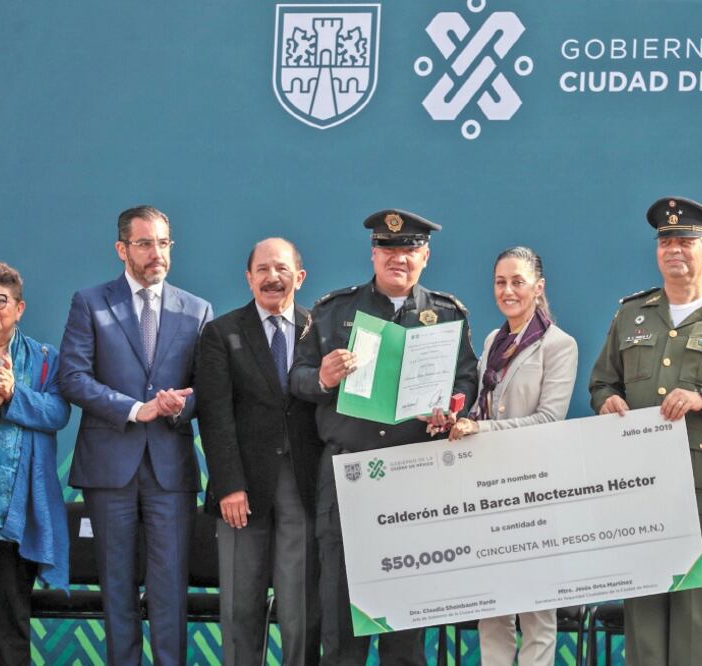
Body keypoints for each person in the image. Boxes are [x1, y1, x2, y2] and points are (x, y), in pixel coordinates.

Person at [292, 209, 478, 666]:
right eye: (389, 248)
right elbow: (297, 378)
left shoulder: (447, 314)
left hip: (413, 471)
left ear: (426, 256)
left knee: (406, 611)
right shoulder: (333, 310)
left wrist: (451, 405)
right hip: (348, 470)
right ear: (373, 253)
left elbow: (467, 378)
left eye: (410, 249)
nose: (399, 258)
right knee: (341, 607)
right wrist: (324, 378)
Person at [588, 196, 702, 666]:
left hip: (698, 482)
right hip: (637, 480)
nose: (673, 250)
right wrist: (606, 400)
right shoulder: (632, 314)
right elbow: (602, 382)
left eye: (685, 241)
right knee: (643, 607)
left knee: (693, 612)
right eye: (665, 241)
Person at [59, 205, 213, 665]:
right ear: (121, 249)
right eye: (145, 243)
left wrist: (179, 406)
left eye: (163, 243)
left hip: (171, 471)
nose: (156, 253)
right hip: (109, 469)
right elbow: (73, 377)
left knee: (171, 590)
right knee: (117, 588)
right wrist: (134, 409)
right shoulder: (90, 302)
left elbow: (207, 389)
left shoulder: (197, 309)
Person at [448, 246, 577, 666]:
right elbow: (481, 407)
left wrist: (481, 431)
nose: (508, 291)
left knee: (536, 612)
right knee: (493, 609)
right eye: (500, 282)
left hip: (534, 491)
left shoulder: (559, 345)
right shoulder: (492, 340)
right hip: (488, 491)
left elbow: (549, 420)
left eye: (518, 282)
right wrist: (455, 419)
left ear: (538, 288)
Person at [195, 238, 321, 666]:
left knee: (300, 608)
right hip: (242, 491)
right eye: (263, 269)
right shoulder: (221, 332)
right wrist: (229, 484)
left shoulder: (317, 330)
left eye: (282, 269)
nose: (272, 277)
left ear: (299, 277)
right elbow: (214, 415)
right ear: (248, 278)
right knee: (241, 607)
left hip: (303, 487)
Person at [0, 263, 70, 666]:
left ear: (19, 308)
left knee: (12, 622)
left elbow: (58, 412)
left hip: (16, 513)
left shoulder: (44, 360)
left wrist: (13, 395)